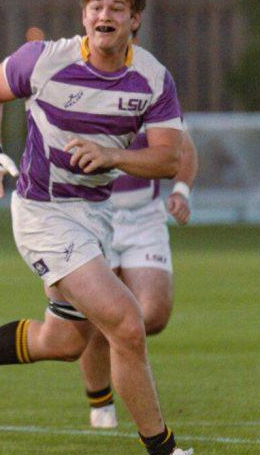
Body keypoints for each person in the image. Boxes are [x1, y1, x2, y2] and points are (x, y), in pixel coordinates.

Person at [0, 0, 221, 455]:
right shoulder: (45, 60)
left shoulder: (152, 78)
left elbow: (169, 159)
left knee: (65, 341)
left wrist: (112, 155)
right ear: (84, 15)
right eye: (96, 6)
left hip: (94, 215)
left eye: (116, 8)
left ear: (133, 19)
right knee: (126, 320)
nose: (104, 15)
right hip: (43, 213)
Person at [80, 129, 198, 428]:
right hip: (92, 214)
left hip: (144, 217)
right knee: (99, 314)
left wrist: (181, 191)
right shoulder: (80, 92)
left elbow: (183, 146)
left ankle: (117, 344)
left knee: (154, 315)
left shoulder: (150, 91)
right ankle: (100, 399)